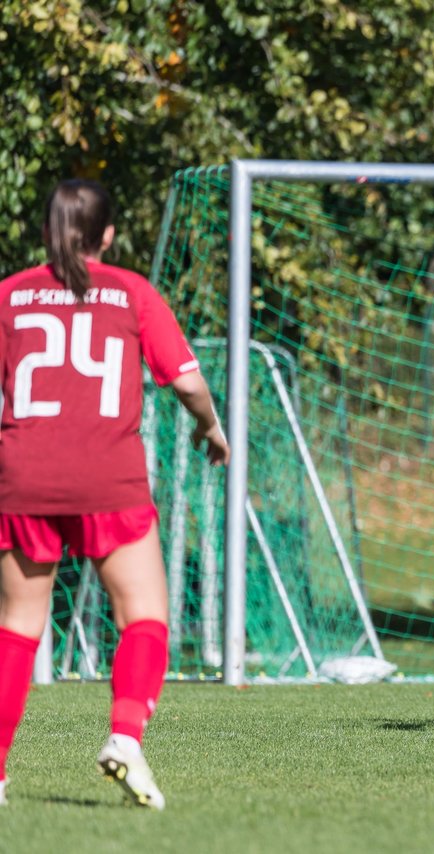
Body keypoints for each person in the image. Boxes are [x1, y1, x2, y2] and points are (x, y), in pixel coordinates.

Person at [0, 180, 229, 810]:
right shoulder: (131, 291)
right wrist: (210, 428)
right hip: (109, 478)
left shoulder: (9, 295)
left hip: (24, 477)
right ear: (107, 235)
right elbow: (187, 382)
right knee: (145, 615)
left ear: (47, 232)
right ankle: (125, 738)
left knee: (18, 626)